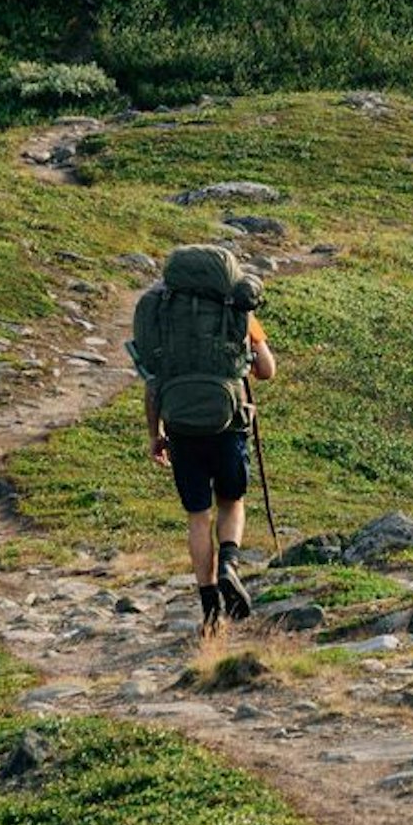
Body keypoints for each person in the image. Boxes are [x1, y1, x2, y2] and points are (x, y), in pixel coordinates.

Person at [131, 241, 277, 627]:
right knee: (231, 501)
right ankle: (230, 564)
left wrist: (155, 433)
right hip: (228, 423)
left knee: (198, 515)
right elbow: (266, 370)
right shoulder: (235, 309)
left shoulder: (165, 315)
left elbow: (152, 384)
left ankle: (209, 602)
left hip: (180, 427)